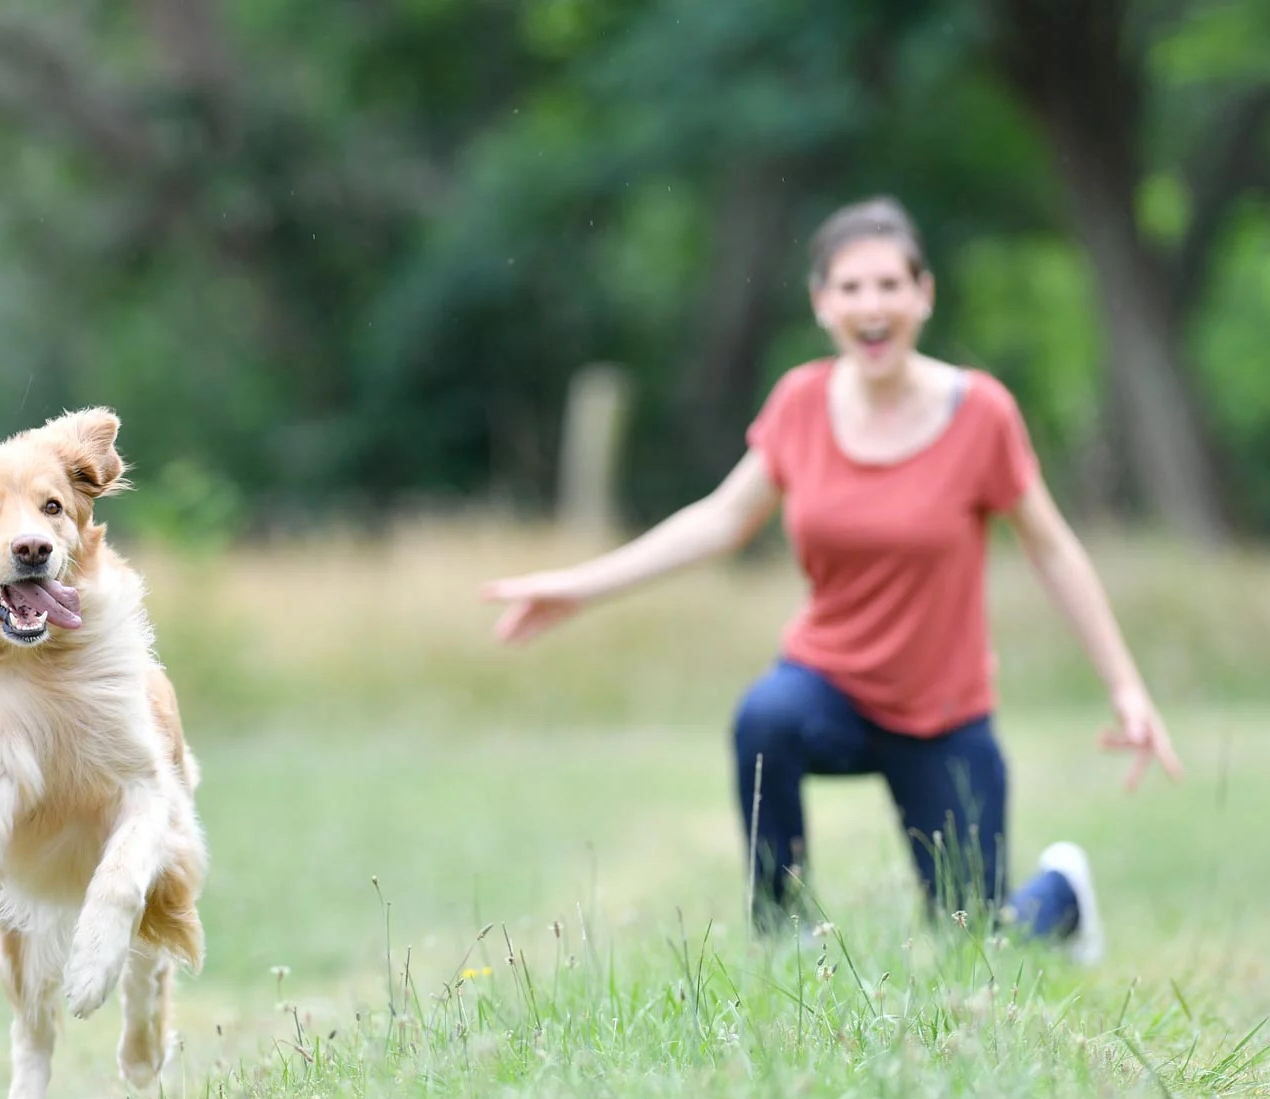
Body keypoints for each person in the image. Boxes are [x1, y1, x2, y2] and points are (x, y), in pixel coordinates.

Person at [480, 196, 1182, 962]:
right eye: (850, 288)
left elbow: (1052, 549)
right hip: (831, 690)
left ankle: (1062, 895)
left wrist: (1127, 687)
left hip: (943, 714)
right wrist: (580, 587)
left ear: (924, 296)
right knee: (765, 720)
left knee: (976, 945)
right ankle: (784, 945)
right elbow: (721, 520)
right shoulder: (801, 403)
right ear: (821, 303)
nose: (871, 305)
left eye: (889, 285)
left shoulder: (982, 414)